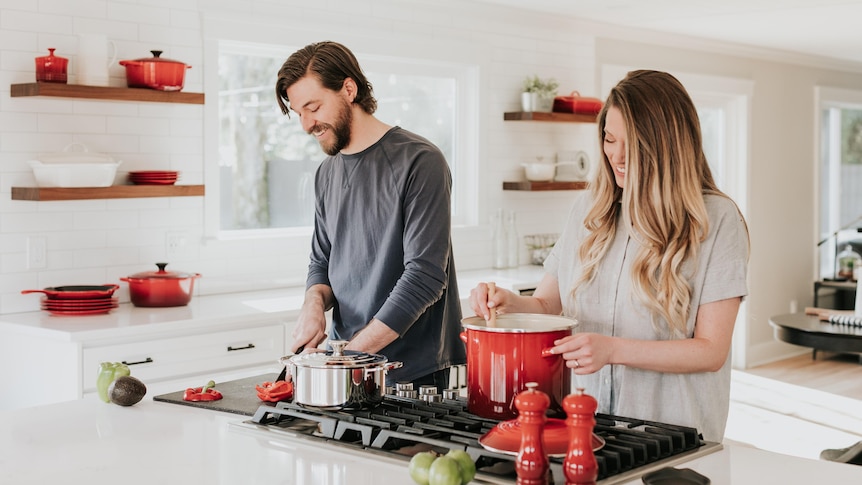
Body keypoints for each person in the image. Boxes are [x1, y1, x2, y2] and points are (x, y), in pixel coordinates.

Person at [470, 70, 749, 442]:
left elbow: (711, 350)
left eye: (631, 143)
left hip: (671, 434)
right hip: (585, 426)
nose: (616, 155)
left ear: (667, 145)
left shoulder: (716, 220)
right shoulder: (589, 209)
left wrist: (614, 350)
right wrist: (510, 304)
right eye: (609, 138)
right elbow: (549, 304)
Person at [275, 41, 466, 391]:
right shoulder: (326, 172)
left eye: (313, 107)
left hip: (411, 373)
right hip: (343, 363)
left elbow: (425, 277)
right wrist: (313, 305)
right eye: (298, 112)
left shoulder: (420, 161)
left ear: (349, 89)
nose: (306, 125)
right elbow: (322, 261)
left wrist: (346, 359)